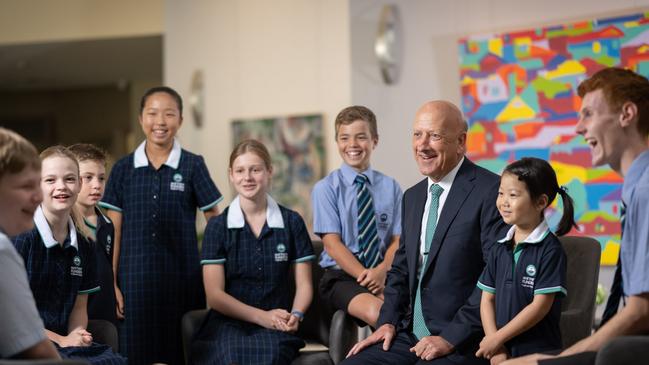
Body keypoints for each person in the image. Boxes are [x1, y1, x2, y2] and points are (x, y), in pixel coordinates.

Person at [503, 68, 649, 365]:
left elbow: (641, 312)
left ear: (626, 114)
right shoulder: (637, 188)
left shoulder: (646, 189)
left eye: (588, 115)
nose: (578, 128)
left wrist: (558, 358)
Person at [344, 100, 508, 365]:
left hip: (462, 341)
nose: (422, 145)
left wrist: (450, 338)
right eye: (417, 134)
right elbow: (400, 270)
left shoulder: (491, 191)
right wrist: (387, 323)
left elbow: (496, 276)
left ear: (461, 141)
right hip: (408, 336)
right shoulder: (413, 197)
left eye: (435, 135)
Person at [99, 86, 223, 365]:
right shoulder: (122, 168)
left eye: (169, 114)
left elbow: (215, 221)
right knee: (132, 355)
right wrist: (112, 283)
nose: (161, 122)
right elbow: (113, 230)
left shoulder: (193, 164)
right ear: (141, 119)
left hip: (183, 280)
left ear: (180, 120)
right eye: (152, 113)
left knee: (182, 353)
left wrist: (213, 272)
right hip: (133, 282)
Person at [191, 139, 315, 365]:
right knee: (231, 354)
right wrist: (261, 317)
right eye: (240, 170)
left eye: (255, 170)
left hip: (277, 322)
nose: (247, 178)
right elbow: (215, 296)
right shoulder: (218, 227)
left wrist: (296, 314)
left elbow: (305, 284)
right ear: (231, 175)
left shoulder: (292, 222)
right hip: (227, 324)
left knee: (270, 354)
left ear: (269, 171)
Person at [12, 145, 126, 364]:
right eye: (50, 180)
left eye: (69, 179)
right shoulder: (20, 237)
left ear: (79, 184)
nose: (61, 187)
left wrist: (77, 334)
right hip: (22, 345)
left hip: (63, 344)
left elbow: (79, 307)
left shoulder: (84, 244)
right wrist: (61, 340)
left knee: (114, 361)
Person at [475, 157, 575, 364]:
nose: (503, 202)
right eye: (501, 193)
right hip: (500, 350)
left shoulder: (550, 250)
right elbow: (487, 299)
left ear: (541, 202)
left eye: (513, 195)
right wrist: (496, 345)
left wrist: (496, 338)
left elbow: (539, 307)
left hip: (537, 353)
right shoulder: (499, 246)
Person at [312, 105, 402, 327]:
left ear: (375, 141)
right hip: (341, 277)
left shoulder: (391, 187)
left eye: (361, 137)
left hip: (384, 273)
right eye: (344, 138)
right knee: (380, 312)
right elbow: (332, 245)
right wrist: (368, 278)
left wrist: (381, 272)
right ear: (337, 142)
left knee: (414, 310)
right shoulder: (326, 188)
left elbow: (398, 241)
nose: (352, 145)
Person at [0, 128, 60, 360]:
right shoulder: (3, 250)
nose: (39, 196)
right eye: (27, 187)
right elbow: (39, 351)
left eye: (38, 185)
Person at [68, 143, 117, 326]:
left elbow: (107, 268)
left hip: (105, 311)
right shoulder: (65, 225)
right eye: (87, 178)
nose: (96, 185)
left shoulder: (107, 224)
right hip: (76, 315)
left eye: (101, 178)